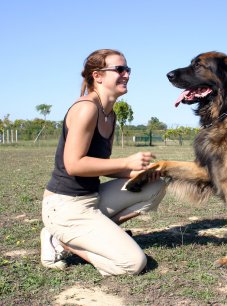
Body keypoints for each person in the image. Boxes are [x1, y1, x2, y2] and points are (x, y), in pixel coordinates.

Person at [40, 49, 166, 276]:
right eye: (119, 69)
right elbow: (74, 165)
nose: (126, 74)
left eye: (128, 69)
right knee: (133, 264)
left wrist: (134, 172)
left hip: (92, 198)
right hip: (65, 206)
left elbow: (99, 164)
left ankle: (89, 234)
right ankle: (61, 240)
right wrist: (126, 161)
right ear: (98, 76)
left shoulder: (110, 114)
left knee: (155, 185)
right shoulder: (86, 108)